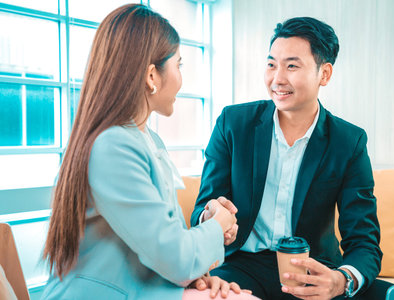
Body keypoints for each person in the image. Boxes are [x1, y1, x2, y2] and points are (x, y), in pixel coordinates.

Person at [41, 4, 259, 300]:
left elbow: (162, 242)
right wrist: (218, 227)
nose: (182, 79)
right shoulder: (113, 147)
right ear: (152, 76)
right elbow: (177, 259)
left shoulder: (146, 139)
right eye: (179, 65)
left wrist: (203, 268)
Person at [191, 17, 392, 299]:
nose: (277, 78)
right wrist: (210, 217)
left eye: (292, 66)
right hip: (240, 267)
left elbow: (364, 240)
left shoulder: (349, 142)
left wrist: (340, 280)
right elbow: (204, 205)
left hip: (311, 272)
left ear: (324, 74)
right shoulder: (233, 124)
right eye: (272, 64)